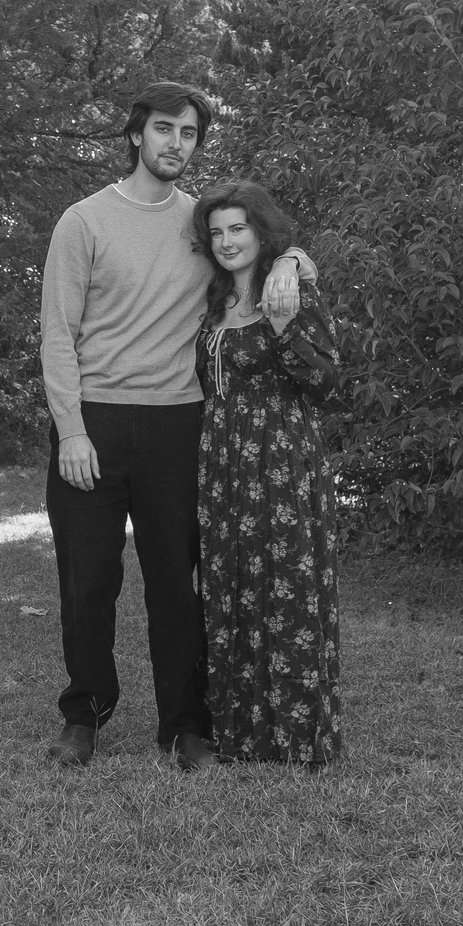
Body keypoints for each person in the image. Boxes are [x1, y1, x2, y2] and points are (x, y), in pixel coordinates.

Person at [39, 82, 311, 772]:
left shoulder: (203, 222)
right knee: (88, 581)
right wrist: (70, 428)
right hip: (93, 425)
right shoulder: (84, 221)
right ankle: (84, 715)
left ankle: (185, 724)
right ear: (136, 134)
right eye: (164, 129)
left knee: (177, 582)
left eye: (188, 134)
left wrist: (291, 261)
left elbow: (266, 246)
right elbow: (58, 334)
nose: (175, 144)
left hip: (180, 425)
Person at [192, 180, 341, 767]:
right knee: (230, 591)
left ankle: (299, 737)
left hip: (281, 463)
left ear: (262, 231)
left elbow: (327, 383)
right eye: (218, 232)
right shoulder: (212, 299)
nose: (227, 241)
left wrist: (282, 326)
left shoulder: (293, 290)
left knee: (289, 592)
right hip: (221, 465)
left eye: (238, 228)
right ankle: (240, 733)